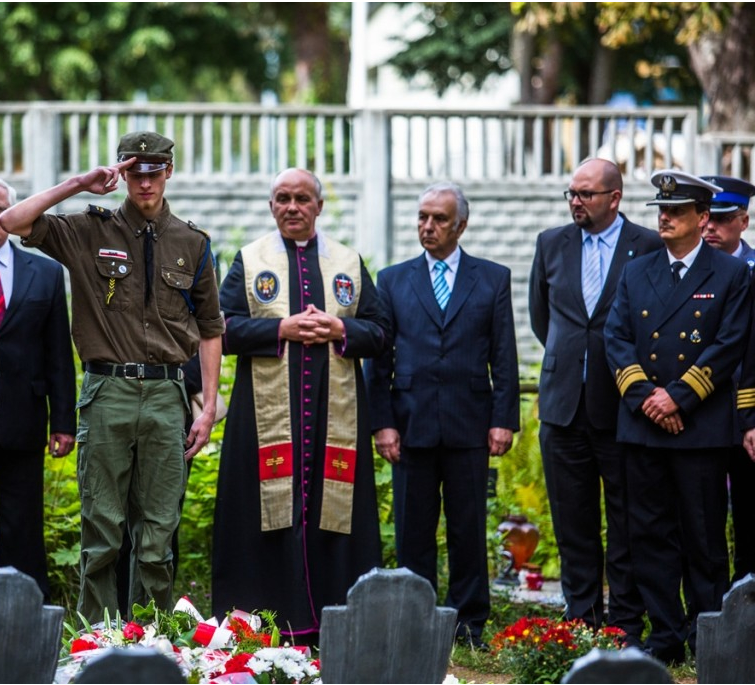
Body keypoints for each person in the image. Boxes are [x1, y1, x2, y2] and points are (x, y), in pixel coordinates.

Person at [0, 131, 223, 622]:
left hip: (167, 395)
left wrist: (208, 406)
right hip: (108, 391)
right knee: (101, 530)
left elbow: (211, 328)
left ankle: (156, 639)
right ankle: (96, 643)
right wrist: (79, 184)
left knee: (158, 534)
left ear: (169, 171)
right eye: (134, 172)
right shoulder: (88, 231)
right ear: (122, 174)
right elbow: (13, 221)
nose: (145, 182)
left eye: (153, 171)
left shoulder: (192, 242)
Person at [212, 168, 388, 644]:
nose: (293, 207)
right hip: (265, 421)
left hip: (336, 420)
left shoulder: (347, 261)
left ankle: (338, 622)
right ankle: (265, 623)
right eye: (283, 199)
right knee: (265, 516)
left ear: (319, 206)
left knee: (334, 514)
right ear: (272, 207)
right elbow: (220, 329)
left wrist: (340, 330)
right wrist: (278, 330)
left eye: (303, 199)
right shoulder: (251, 260)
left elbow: (380, 331)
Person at [605, 170, 750, 664]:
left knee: (704, 540)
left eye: (676, 211)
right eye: (661, 211)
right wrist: (649, 398)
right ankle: (664, 635)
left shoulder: (731, 275)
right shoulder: (636, 270)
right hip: (645, 428)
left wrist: (679, 397)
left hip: (700, 429)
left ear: (702, 217)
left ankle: (708, 638)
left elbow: (730, 344)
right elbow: (616, 338)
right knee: (649, 537)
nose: (664, 218)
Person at [366, 182, 519, 649]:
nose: (427, 226)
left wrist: (503, 419)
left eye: (438, 219)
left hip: (470, 423)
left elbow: (504, 354)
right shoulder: (393, 279)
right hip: (409, 426)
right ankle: (417, 621)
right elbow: (380, 360)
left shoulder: (492, 278)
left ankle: (469, 625)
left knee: (468, 528)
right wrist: (383, 422)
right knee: (413, 530)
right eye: (422, 217)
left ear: (461, 225)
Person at [528, 159, 660, 644]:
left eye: (586, 194)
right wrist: (572, 364)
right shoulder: (551, 243)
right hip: (563, 407)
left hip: (623, 405)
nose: (576, 202)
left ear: (615, 198)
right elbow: (545, 321)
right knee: (573, 520)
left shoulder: (646, 244)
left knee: (626, 520)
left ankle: (625, 621)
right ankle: (581, 619)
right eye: (571, 193)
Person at [0, 175, 77, 601]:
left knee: (22, 524)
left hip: (24, 419)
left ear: (12, 213)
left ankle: (26, 608)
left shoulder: (44, 271)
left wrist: (64, 421)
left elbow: (58, 352)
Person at [702, 175, 755, 585]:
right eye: (706, 218)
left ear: (744, 221)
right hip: (699, 411)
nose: (708, 228)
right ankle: (707, 612)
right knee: (701, 517)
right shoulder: (689, 270)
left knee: (750, 519)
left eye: (720, 220)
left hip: (747, 414)